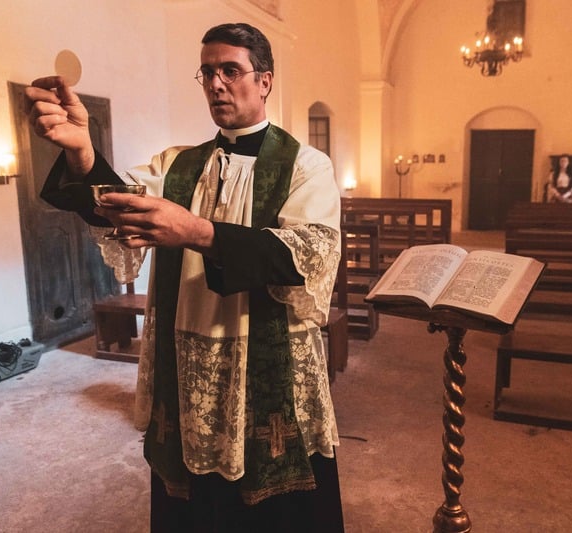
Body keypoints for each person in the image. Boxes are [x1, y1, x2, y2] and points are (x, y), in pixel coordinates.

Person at [25, 22, 344, 533]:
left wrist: (197, 231)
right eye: (208, 72)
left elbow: (305, 255)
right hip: (184, 354)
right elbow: (115, 202)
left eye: (231, 71)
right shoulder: (176, 166)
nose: (216, 83)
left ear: (264, 81)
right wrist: (82, 151)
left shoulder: (306, 166)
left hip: (267, 356)